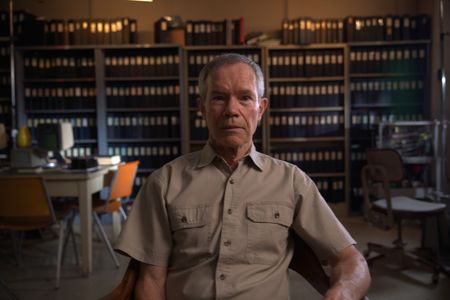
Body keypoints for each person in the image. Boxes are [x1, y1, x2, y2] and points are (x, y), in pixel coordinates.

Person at [115, 53, 371, 300]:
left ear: (260, 108)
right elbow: (151, 280)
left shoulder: (292, 182)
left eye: (245, 98)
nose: (231, 110)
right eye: (218, 98)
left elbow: (350, 260)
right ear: (201, 107)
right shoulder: (164, 183)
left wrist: (343, 293)